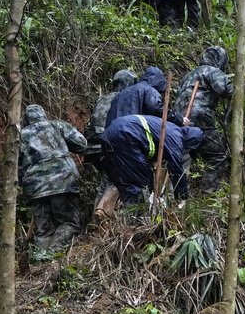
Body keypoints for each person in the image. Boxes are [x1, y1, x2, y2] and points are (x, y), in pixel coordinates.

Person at [173, 46, 245, 194]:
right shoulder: (212, 71)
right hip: (199, 117)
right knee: (217, 155)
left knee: (182, 155)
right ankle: (208, 194)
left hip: (179, 119)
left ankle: (175, 196)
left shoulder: (188, 75)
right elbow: (228, 91)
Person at [19, 104, 87, 252]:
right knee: (69, 223)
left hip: (35, 187)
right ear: (43, 115)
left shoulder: (20, 135)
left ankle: (41, 264)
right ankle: (53, 254)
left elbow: (15, 167)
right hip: (64, 181)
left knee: (43, 229)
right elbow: (81, 144)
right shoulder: (57, 126)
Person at [100, 114, 205, 205]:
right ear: (191, 142)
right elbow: (177, 169)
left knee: (118, 181)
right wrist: (182, 197)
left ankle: (105, 214)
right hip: (126, 135)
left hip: (110, 134)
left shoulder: (171, 128)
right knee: (141, 183)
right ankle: (135, 220)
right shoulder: (176, 137)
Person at [83, 69, 137, 218]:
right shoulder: (127, 99)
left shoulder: (103, 99)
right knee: (117, 181)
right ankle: (104, 218)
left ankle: (97, 223)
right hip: (111, 146)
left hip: (93, 146)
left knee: (105, 182)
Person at [105, 66, 187, 128]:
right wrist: (179, 119)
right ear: (158, 80)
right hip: (131, 130)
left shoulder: (121, 94)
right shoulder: (149, 90)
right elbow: (156, 108)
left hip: (110, 133)